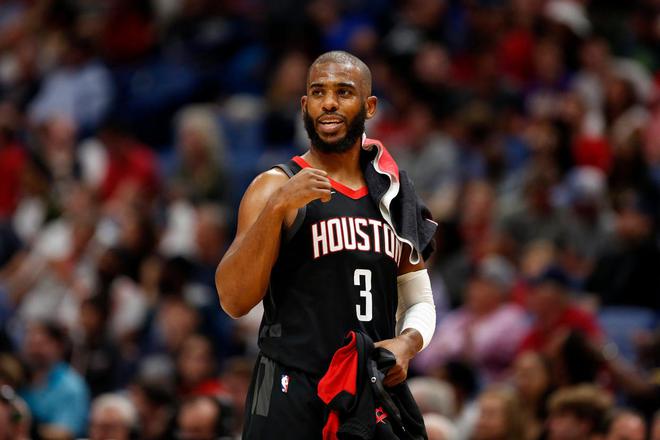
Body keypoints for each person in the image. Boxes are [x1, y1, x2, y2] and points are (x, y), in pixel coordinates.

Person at [215, 50, 437, 439]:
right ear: (304, 105)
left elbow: (420, 300)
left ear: (369, 107)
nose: (329, 102)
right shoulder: (274, 185)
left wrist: (407, 343)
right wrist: (277, 208)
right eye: (318, 92)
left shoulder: (393, 192)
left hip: (365, 389)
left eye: (343, 92)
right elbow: (233, 300)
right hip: (291, 385)